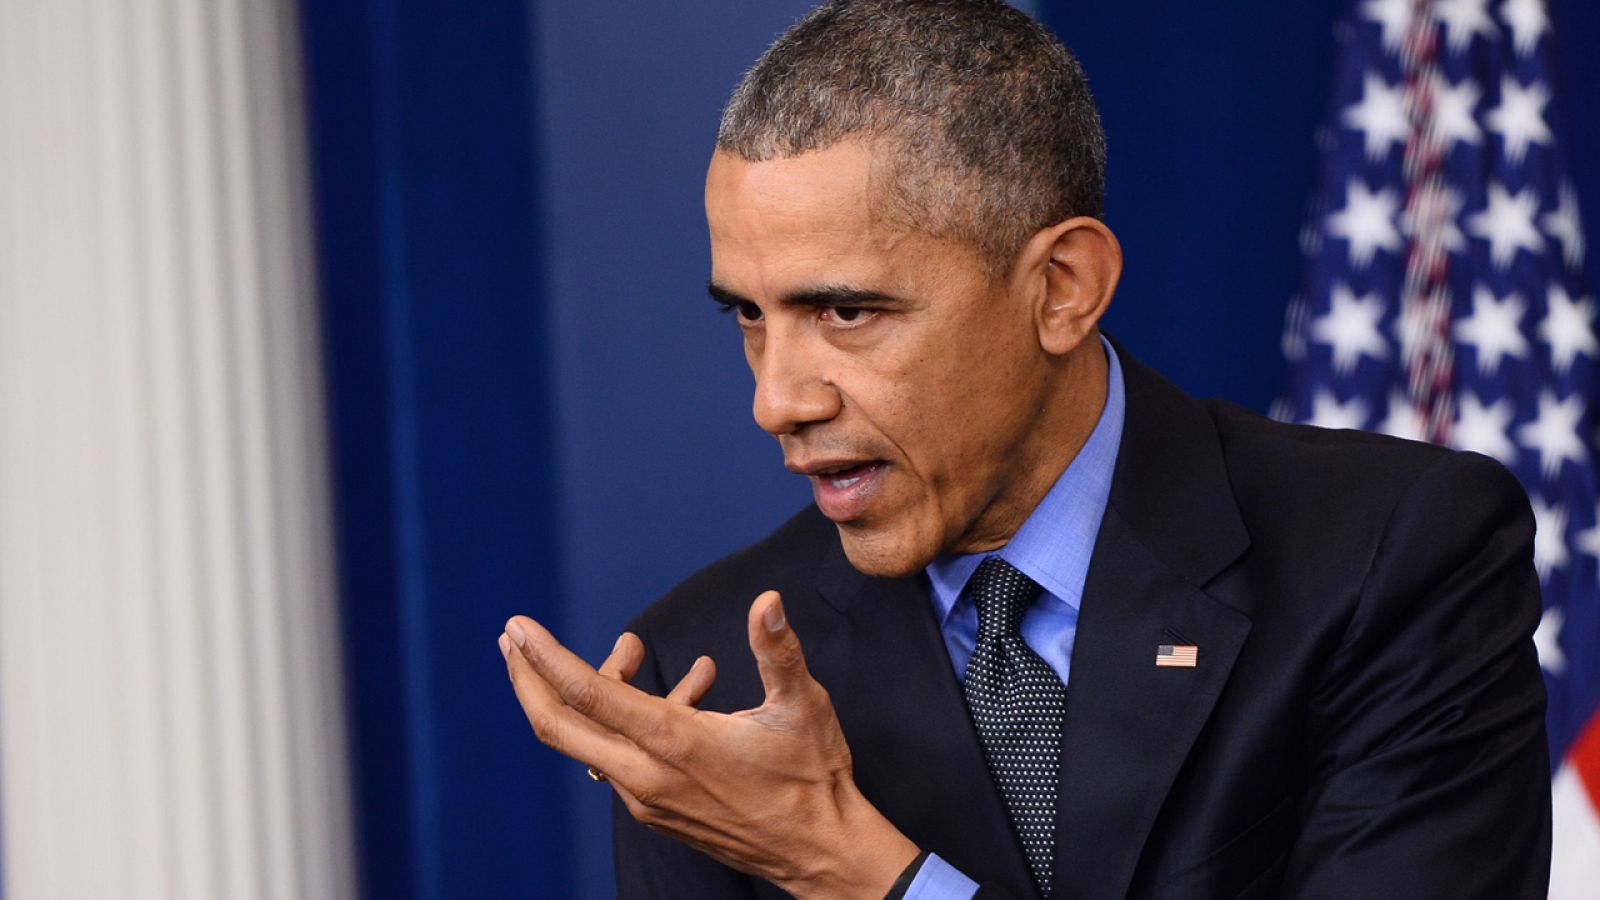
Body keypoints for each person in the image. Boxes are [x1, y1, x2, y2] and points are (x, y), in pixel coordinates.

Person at [499, 1, 1552, 897]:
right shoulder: (709, 678)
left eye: (848, 313)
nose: (777, 399)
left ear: (1060, 289)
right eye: (748, 316)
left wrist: (856, 871)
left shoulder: (1387, 556)